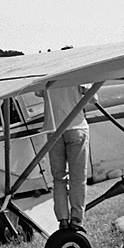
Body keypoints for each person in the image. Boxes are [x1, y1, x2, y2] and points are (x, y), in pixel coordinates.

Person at [39, 84, 90, 231]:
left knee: (58, 178)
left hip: (53, 129)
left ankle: (62, 220)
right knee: (78, 178)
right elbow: (93, 98)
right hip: (76, 127)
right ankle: (77, 220)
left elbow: (39, 92)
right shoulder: (81, 74)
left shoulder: (48, 76)